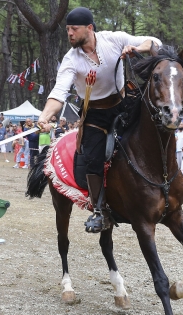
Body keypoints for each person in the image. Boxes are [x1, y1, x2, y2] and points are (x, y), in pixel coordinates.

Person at [35, 6, 162, 233]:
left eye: (74, 29)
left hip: (125, 104)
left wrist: (136, 47)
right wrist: (44, 116)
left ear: (89, 28)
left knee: (154, 134)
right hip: (94, 113)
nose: (70, 34)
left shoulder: (113, 39)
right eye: (67, 30)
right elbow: (58, 92)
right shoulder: (70, 59)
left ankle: (164, 188)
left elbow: (155, 43)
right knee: (92, 158)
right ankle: (100, 210)